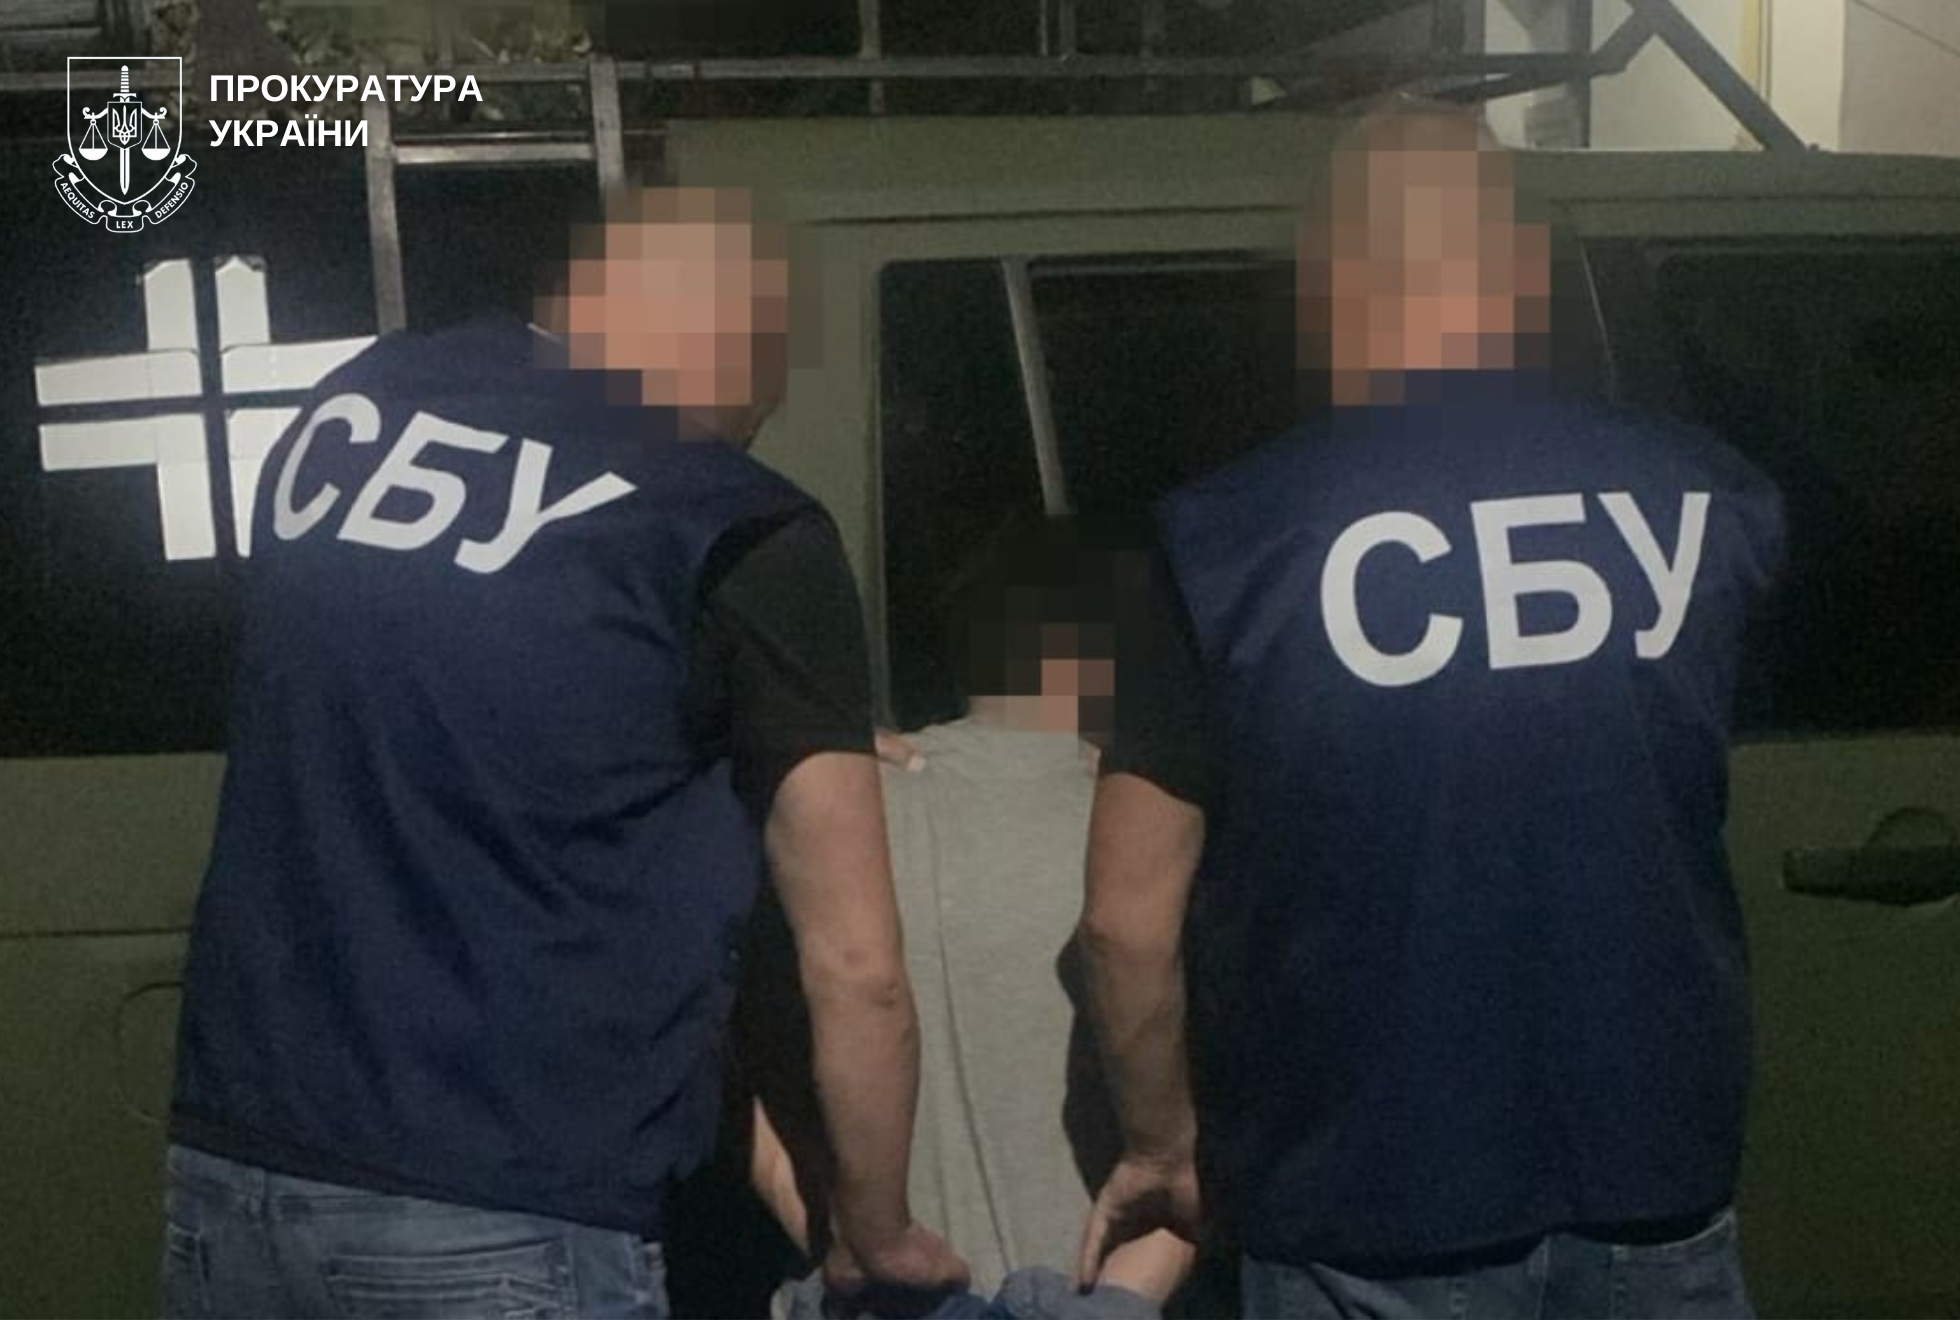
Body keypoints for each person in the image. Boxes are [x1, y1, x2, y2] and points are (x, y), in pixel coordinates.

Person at [160, 185, 966, 1319]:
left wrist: (751, 723)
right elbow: (857, 969)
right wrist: (875, 1233)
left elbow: (453, 687)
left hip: (230, 1177)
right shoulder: (731, 519)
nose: (762, 411)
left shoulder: (359, 405)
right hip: (510, 1209)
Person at [1075, 101, 1786, 1320]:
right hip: (1654, 1189)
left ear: (1326, 283)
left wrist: (1160, 1148)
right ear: (1522, 275)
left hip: (1363, 1217)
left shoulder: (1224, 542)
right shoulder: (1708, 499)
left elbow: (1123, 925)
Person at [740, 514, 1196, 1319]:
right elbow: (1238, 1122)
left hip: (878, 1300)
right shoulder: (1160, 851)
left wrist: (828, 1233)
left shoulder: (825, 826)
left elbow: (720, 1059)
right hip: (1101, 1295)